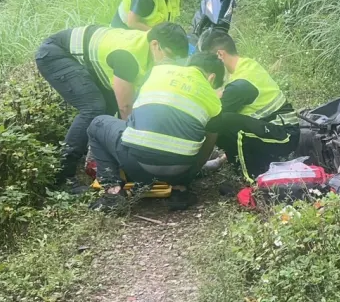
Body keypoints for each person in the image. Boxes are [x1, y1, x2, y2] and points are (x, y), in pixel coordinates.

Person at [34, 22, 190, 188]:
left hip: (83, 57)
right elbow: (125, 107)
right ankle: (63, 175)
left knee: (107, 110)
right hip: (56, 53)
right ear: (155, 45)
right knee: (93, 108)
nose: (170, 63)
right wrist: (136, 147)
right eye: (168, 55)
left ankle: (95, 157)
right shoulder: (129, 55)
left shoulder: (149, 50)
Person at [86, 51, 225, 210]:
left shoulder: (157, 72)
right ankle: (180, 190)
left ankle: (113, 193)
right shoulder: (215, 103)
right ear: (211, 78)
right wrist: (187, 175)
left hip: (136, 165)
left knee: (98, 123)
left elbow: (134, 108)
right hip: (179, 170)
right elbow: (207, 148)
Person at [199, 30, 296, 179]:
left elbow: (213, 113)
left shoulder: (242, 82)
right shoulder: (244, 65)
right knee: (225, 120)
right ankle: (238, 160)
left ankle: (250, 179)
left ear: (220, 55)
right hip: (270, 129)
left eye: (209, 60)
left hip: (284, 136)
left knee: (222, 120)